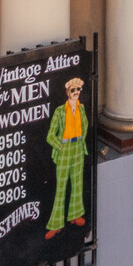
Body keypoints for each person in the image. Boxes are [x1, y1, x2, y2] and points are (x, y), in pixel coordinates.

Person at [43, 77, 89, 240]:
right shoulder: (60, 111)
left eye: (78, 90)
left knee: (77, 184)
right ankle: (56, 224)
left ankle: (75, 215)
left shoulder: (82, 108)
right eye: (73, 90)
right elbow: (50, 135)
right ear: (67, 92)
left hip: (77, 148)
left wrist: (81, 143)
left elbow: (85, 127)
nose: (76, 93)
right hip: (64, 148)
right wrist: (60, 146)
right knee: (61, 187)